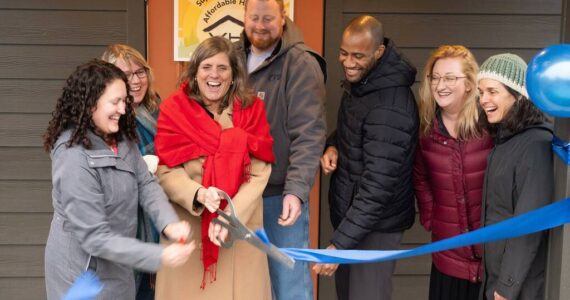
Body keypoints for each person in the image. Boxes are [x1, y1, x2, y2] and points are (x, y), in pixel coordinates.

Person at [42, 59, 194, 300]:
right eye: (115, 102)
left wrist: (168, 223)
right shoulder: (72, 156)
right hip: (81, 274)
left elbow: (146, 183)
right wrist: (159, 256)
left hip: (117, 266)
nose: (123, 109)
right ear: (90, 104)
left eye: (125, 101)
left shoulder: (121, 138)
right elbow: (95, 238)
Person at [153, 36, 275, 300]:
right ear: (195, 73)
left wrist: (229, 215)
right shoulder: (174, 110)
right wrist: (198, 193)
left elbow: (259, 173)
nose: (214, 75)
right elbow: (164, 170)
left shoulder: (252, 111)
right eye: (206, 67)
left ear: (234, 75)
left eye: (222, 68)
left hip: (239, 229)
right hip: (190, 229)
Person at [316, 15, 419, 300]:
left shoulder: (391, 105)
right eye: (343, 53)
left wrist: (339, 244)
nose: (348, 62)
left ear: (379, 52)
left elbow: (378, 186)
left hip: (377, 228)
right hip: (355, 223)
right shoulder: (365, 84)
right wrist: (333, 145)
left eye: (358, 56)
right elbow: (358, 131)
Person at [235, 1, 326, 298]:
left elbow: (308, 133)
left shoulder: (300, 63)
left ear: (283, 17)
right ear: (244, 17)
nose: (260, 25)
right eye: (254, 18)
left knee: (289, 285)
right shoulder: (233, 58)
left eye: (268, 18)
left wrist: (295, 191)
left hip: (278, 197)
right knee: (247, 285)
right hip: (237, 196)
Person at [413, 45, 493, 300]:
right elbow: (420, 176)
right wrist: (430, 216)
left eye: (450, 78)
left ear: (470, 84)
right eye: (435, 78)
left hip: (491, 259)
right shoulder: (427, 131)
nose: (440, 85)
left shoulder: (490, 126)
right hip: (448, 258)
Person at [478, 53, 553, 300]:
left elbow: (529, 224)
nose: (483, 100)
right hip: (496, 278)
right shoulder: (504, 141)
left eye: (492, 91)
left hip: (519, 287)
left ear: (518, 94)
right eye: (481, 92)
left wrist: (506, 287)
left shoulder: (535, 145)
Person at [101, 43, 162, 300]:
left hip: (156, 218)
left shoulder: (159, 111)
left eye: (140, 72)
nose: (135, 81)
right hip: (121, 222)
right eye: (125, 75)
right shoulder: (102, 119)